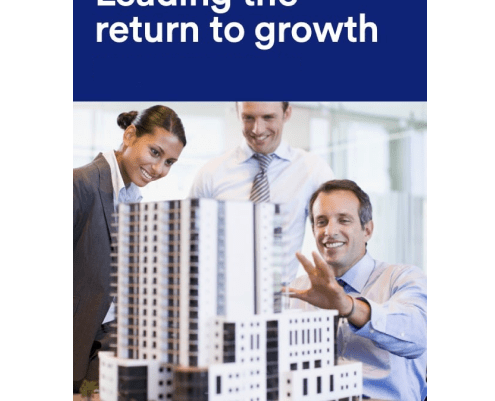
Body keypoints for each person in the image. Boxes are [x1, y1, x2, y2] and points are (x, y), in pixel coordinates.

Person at [73, 105, 186, 392]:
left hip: (113, 346)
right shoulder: (79, 184)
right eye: (155, 152)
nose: (159, 169)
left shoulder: (134, 203)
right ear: (130, 135)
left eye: (170, 162)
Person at [286, 180, 427, 401]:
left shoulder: (402, 278)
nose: (330, 232)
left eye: (344, 220)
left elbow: (417, 336)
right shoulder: (300, 289)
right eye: (321, 222)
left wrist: (349, 307)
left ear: (367, 230)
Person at [189, 102, 334, 283]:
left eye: (268, 117)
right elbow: (189, 242)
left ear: (287, 113)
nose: (257, 130)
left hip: (283, 300)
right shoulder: (211, 173)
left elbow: (335, 232)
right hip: (221, 300)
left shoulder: (313, 170)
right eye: (248, 118)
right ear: (238, 113)